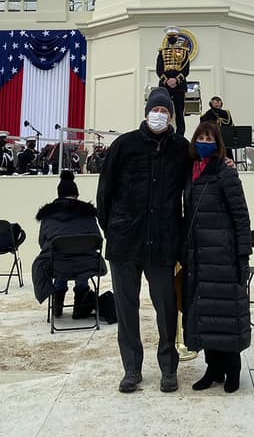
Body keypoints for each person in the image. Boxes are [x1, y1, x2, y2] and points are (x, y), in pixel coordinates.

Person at [96, 87, 189, 394]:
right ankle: (131, 369)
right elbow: (104, 194)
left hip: (163, 244)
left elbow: (195, 185)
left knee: (165, 308)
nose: (159, 115)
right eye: (155, 110)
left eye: (164, 111)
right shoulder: (124, 145)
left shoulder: (180, 148)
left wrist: (223, 163)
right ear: (146, 111)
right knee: (126, 309)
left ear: (172, 116)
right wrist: (114, 229)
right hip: (125, 244)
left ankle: (168, 369)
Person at [183, 121, 251, 393]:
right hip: (198, 256)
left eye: (209, 137)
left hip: (223, 255)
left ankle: (232, 370)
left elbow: (241, 215)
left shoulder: (226, 172)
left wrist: (242, 255)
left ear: (218, 141)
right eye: (200, 136)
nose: (204, 141)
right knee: (206, 315)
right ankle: (213, 368)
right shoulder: (190, 172)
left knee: (227, 314)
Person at [33, 171, 105, 320]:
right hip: (86, 264)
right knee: (79, 261)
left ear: (59, 195)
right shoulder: (88, 214)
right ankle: (80, 306)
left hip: (58, 265)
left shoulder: (48, 215)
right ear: (76, 195)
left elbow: (42, 243)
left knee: (59, 258)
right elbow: (97, 240)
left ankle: (57, 306)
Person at [155, 27, 191, 137]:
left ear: (177, 37)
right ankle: (162, 132)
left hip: (179, 86)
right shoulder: (162, 52)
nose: (171, 38)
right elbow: (159, 69)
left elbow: (186, 70)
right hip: (165, 86)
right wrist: (167, 81)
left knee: (179, 113)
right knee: (163, 110)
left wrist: (176, 80)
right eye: (169, 36)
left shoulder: (184, 52)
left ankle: (180, 135)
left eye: (173, 36)